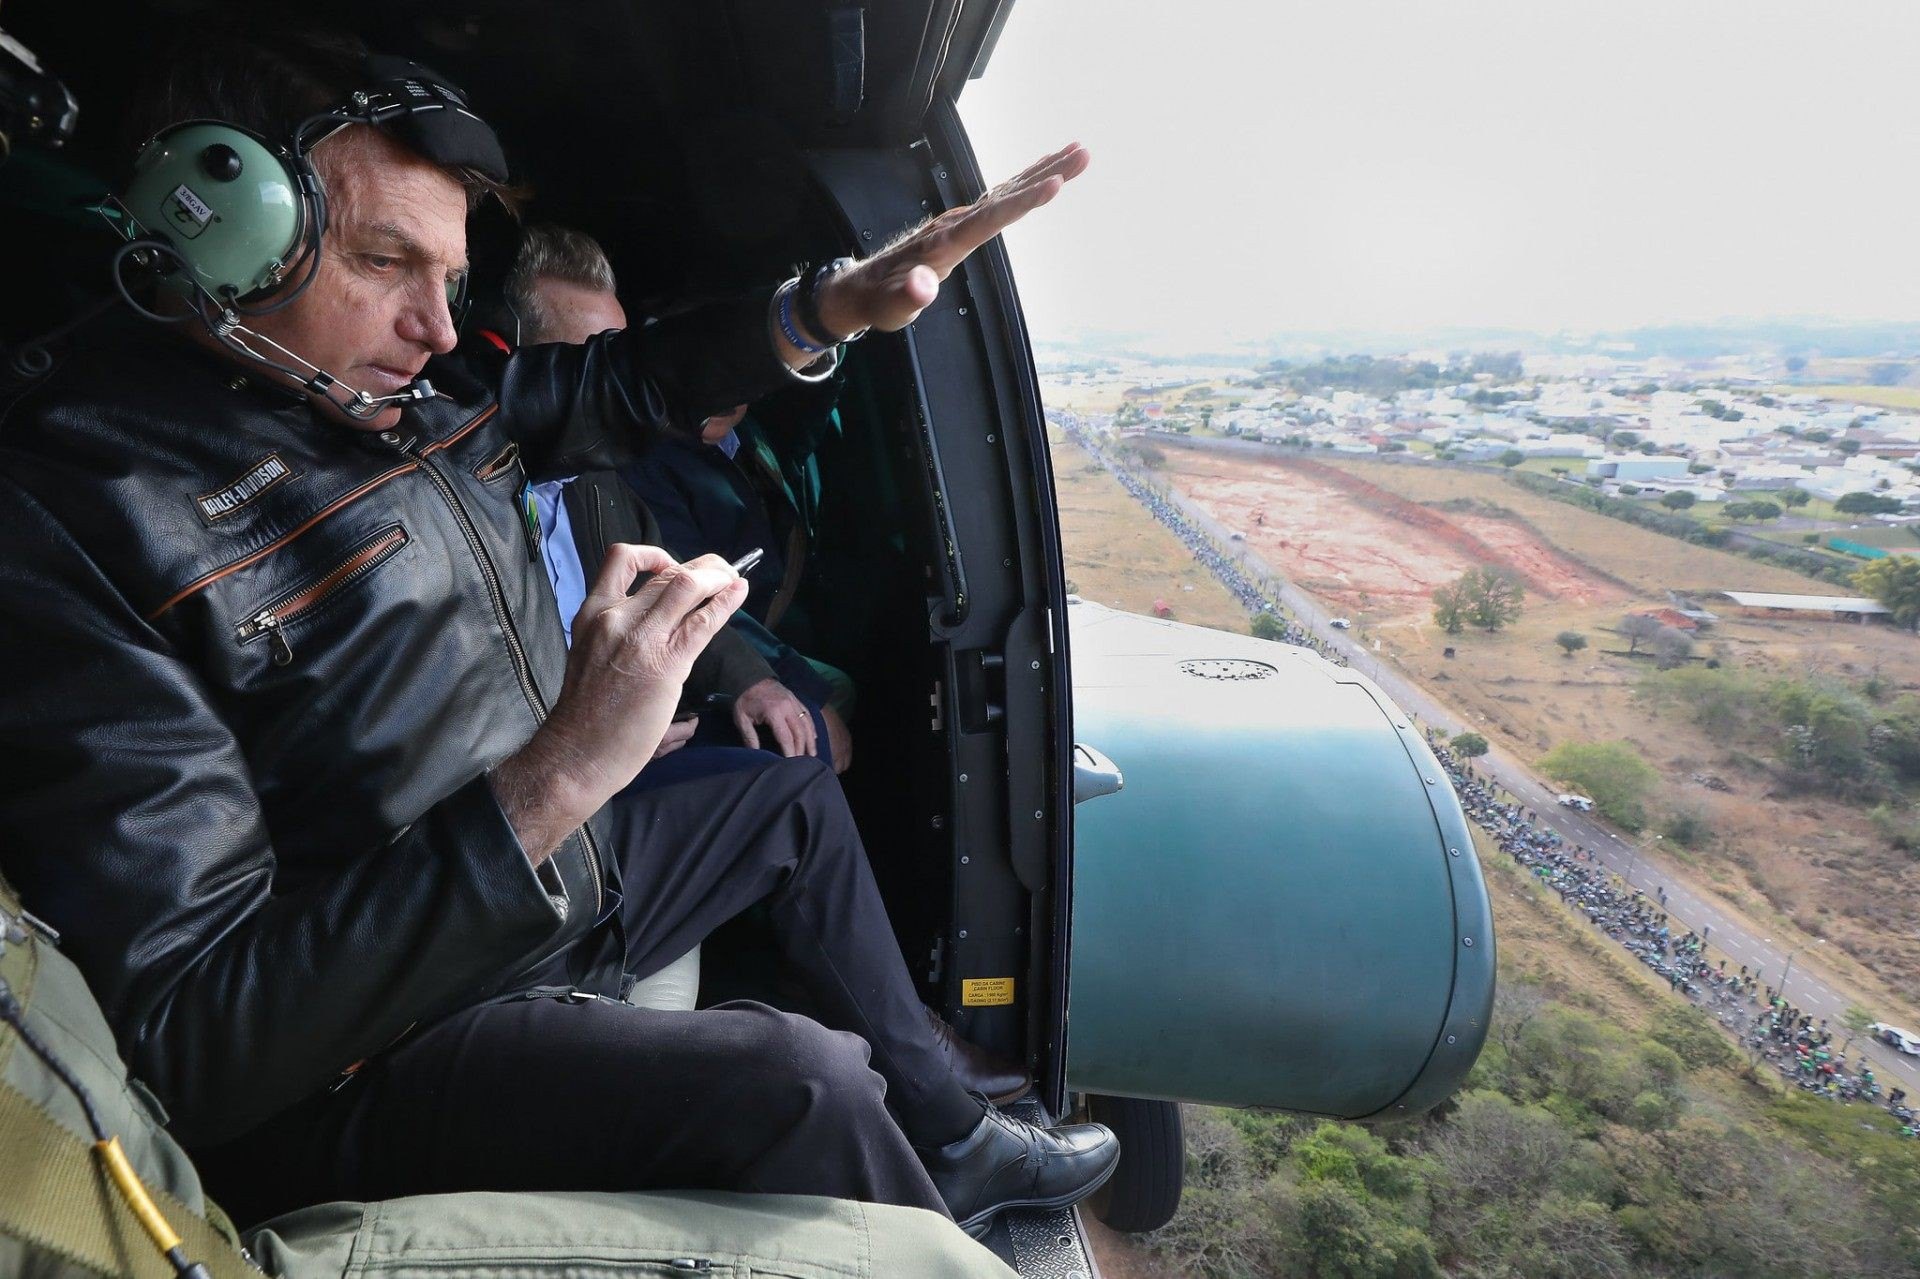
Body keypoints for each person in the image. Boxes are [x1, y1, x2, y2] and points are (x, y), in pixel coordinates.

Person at [0, 29, 1104, 1237]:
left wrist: (826, 305)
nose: (433, 329)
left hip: (547, 885)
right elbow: (196, 1042)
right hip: (378, 1040)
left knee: (779, 802)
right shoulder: (73, 518)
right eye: (383, 261)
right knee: (803, 1082)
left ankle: (954, 1138)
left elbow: (614, 387)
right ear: (224, 236)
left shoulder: (384, 400)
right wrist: (567, 767)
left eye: (450, 279)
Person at [485, 224, 850, 771]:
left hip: (627, 728)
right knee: (800, 792)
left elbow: (665, 590)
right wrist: (587, 737)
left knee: (804, 758)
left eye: (620, 355)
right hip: (548, 765)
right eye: (592, 364)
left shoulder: (599, 484)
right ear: (519, 366)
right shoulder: (467, 502)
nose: (618, 385)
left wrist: (752, 681)